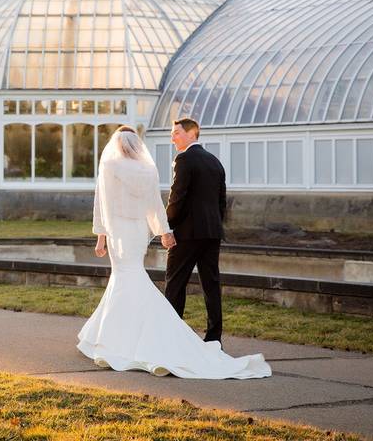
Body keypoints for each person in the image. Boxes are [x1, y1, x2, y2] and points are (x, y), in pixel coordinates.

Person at [76, 125, 270, 379]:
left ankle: (124, 337)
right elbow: (155, 204)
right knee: (139, 276)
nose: (173, 137)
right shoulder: (149, 168)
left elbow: (103, 204)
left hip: (120, 231)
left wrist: (101, 236)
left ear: (118, 144)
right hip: (141, 231)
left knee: (133, 278)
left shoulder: (110, 165)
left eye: (177, 133)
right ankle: (200, 334)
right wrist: (164, 231)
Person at [162, 117, 225, 345]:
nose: (172, 137)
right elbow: (221, 202)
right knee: (211, 286)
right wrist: (216, 225)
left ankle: (171, 336)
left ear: (192, 133)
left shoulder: (183, 159)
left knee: (175, 284)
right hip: (212, 233)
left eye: (176, 132)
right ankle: (214, 338)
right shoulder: (214, 161)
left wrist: (167, 227)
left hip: (187, 234)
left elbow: (177, 197)